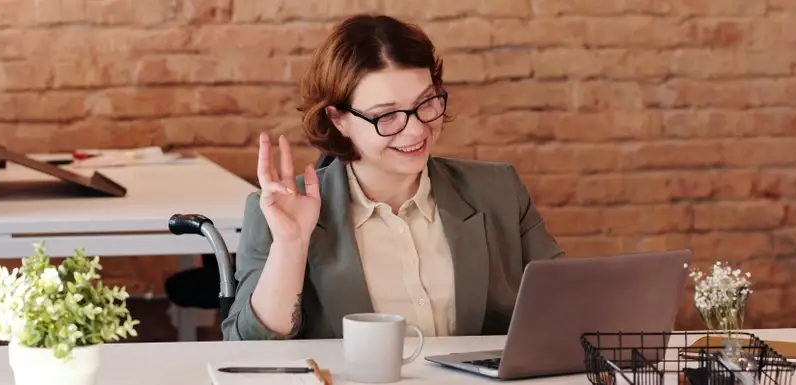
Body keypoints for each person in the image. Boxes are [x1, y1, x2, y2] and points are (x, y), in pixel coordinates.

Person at [221, 14, 564, 341]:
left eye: (426, 103)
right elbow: (247, 344)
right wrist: (291, 247)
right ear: (339, 119)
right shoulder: (280, 209)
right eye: (386, 116)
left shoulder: (498, 190)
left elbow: (568, 303)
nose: (415, 130)